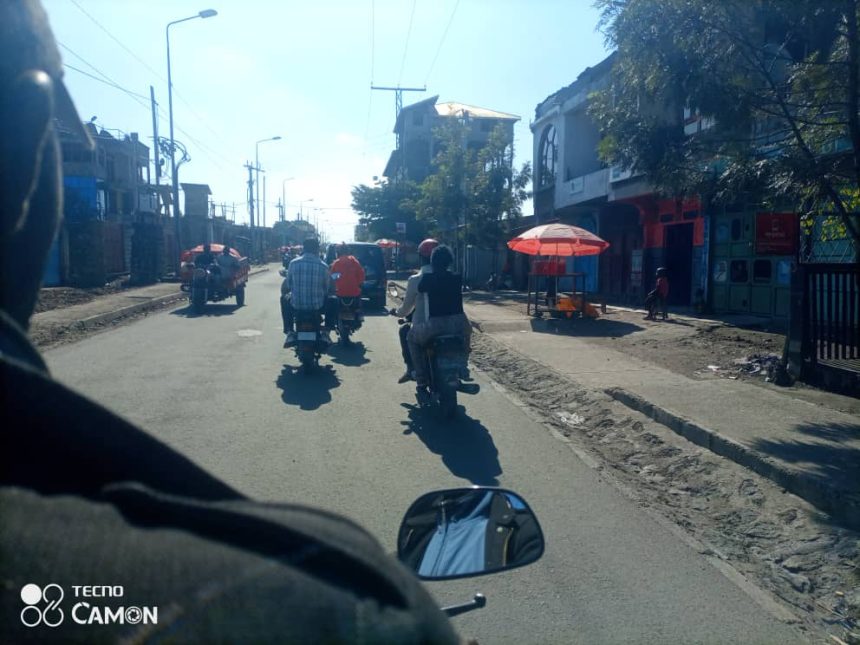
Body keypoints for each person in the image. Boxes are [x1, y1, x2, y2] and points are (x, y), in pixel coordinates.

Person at [0, 3, 459, 642]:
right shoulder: (333, 600)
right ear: (27, 153)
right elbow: (345, 293)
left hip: (327, 319)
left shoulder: (298, 266)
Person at [410, 245, 472, 398]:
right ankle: (463, 367)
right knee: (467, 336)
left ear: (432, 261)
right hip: (458, 323)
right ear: (450, 261)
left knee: (411, 338)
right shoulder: (457, 278)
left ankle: (421, 378)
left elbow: (420, 290)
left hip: (435, 325)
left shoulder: (428, 278)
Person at [391, 238, 438, 383]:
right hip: (450, 326)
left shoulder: (416, 279)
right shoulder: (451, 277)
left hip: (425, 327)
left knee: (406, 332)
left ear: (421, 257)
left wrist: (397, 312)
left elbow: (406, 308)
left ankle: (414, 371)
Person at [281, 236, 337, 347]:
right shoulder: (324, 266)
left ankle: (290, 331)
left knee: (283, 298)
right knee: (334, 300)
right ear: (317, 250)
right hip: (317, 307)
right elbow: (327, 288)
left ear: (303, 249)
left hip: (297, 306)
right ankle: (326, 332)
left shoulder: (293, 263)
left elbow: (288, 285)